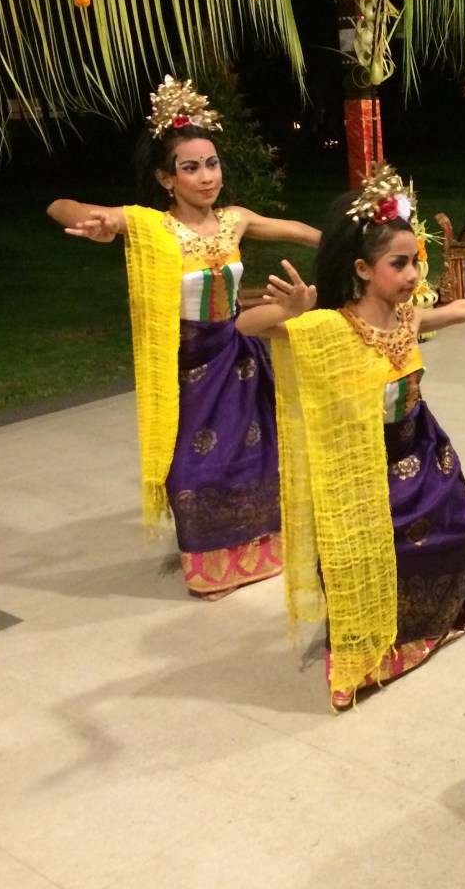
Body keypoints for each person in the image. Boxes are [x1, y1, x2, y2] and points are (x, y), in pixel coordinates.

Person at [236, 164, 465, 710]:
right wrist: (285, 311)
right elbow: (242, 328)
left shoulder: (407, 318)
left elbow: (452, 311)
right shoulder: (330, 326)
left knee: (458, 529)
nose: (413, 275)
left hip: (423, 448)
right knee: (366, 556)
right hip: (364, 463)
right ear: (363, 269)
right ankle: (368, 646)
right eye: (399, 264)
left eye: (415, 262)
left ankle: (445, 614)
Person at [46, 75, 322, 599]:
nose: (206, 176)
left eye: (212, 163)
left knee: (257, 453)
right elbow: (60, 205)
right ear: (165, 178)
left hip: (240, 356)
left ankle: (262, 551)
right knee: (196, 467)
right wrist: (95, 222)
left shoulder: (235, 221)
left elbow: (307, 234)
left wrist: (352, 242)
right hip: (190, 364)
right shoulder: (152, 226)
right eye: (190, 167)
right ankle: (209, 564)